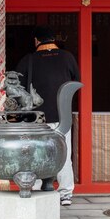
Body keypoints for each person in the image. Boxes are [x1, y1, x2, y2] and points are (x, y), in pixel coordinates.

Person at [16, 26, 80, 206]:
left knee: (36, 152)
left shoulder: (29, 59)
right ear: (54, 39)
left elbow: (17, 86)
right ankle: (65, 193)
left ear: (36, 40)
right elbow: (76, 81)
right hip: (63, 115)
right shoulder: (67, 57)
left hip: (36, 117)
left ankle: (36, 187)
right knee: (63, 153)